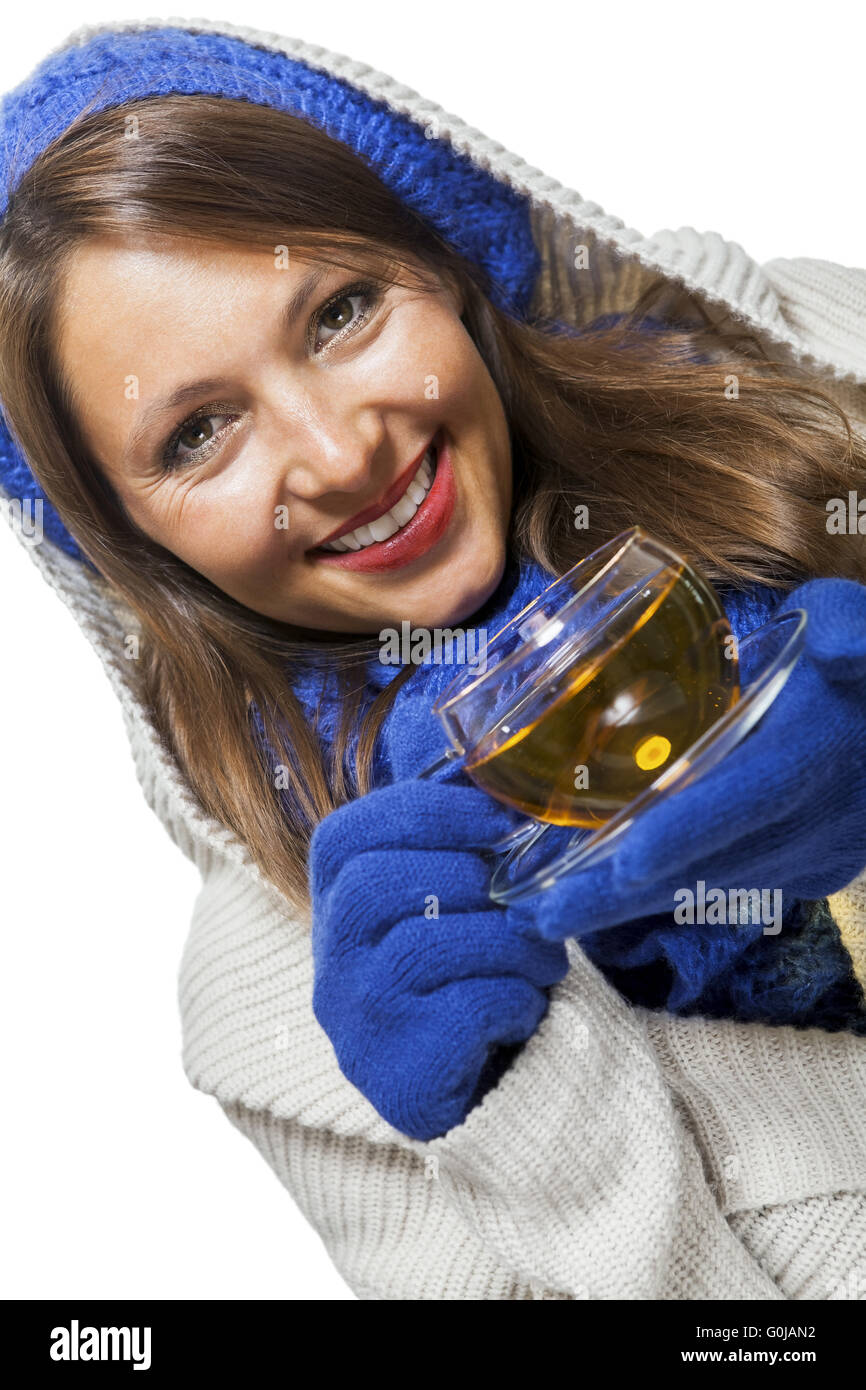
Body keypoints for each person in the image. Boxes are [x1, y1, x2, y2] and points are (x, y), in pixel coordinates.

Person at [1, 17, 865, 1300]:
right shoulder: (285, 1016)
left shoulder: (818, 382)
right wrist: (527, 1126)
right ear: (131, 543)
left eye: (341, 311)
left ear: (448, 264)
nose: (338, 454)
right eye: (196, 435)